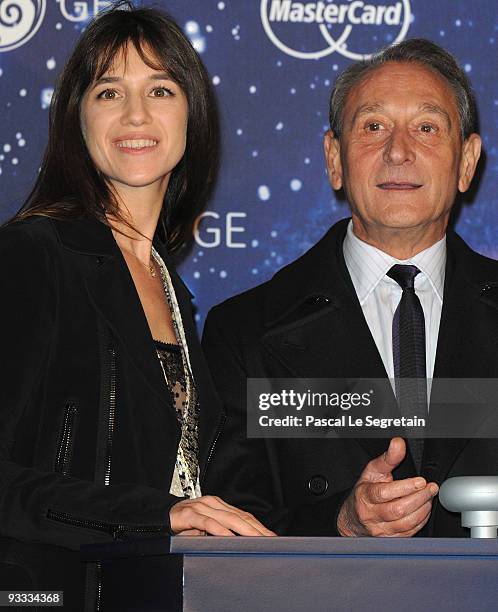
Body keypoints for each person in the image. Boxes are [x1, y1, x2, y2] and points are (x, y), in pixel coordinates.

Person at [0, 3, 273, 608]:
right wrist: (161, 514)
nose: (135, 115)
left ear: (190, 115)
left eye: (159, 88)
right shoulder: (32, 254)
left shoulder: (173, 289)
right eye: (107, 92)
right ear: (77, 118)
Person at [202, 38, 498, 538]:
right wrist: (341, 523)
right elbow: (228, 528)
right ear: (335, 158)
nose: (399, 151)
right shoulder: (245, 333)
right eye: (374, 127)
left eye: (427, 128)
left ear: (467, 162)